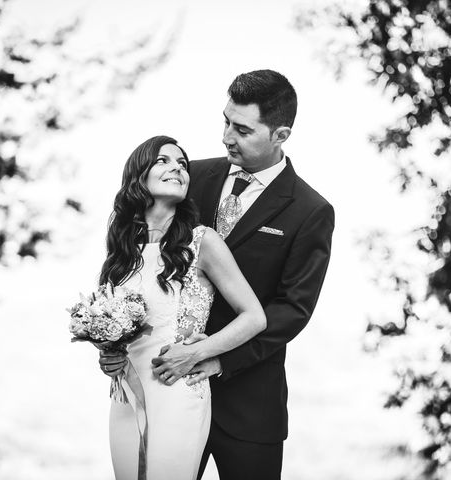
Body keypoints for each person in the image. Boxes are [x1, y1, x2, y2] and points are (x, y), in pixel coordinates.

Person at [149, 70, 335, 480]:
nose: (227, 137)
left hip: (251, 406)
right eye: (226, 122)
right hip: (170, 390)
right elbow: (143, 258)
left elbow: (292, 309)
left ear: (280, 134)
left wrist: (217, 357)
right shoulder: (191, 178)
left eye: (243, 129)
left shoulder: (310, 211)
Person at [98, 135, 266, 480]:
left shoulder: (203, 241)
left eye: (182, 164)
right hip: (125, 395)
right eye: (163, 160)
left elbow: (254, 317)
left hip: (177, 391)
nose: (176, 167)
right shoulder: (121, 244)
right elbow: (108, 319)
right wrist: (107, 354)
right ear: (138, 175)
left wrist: (198, 352)